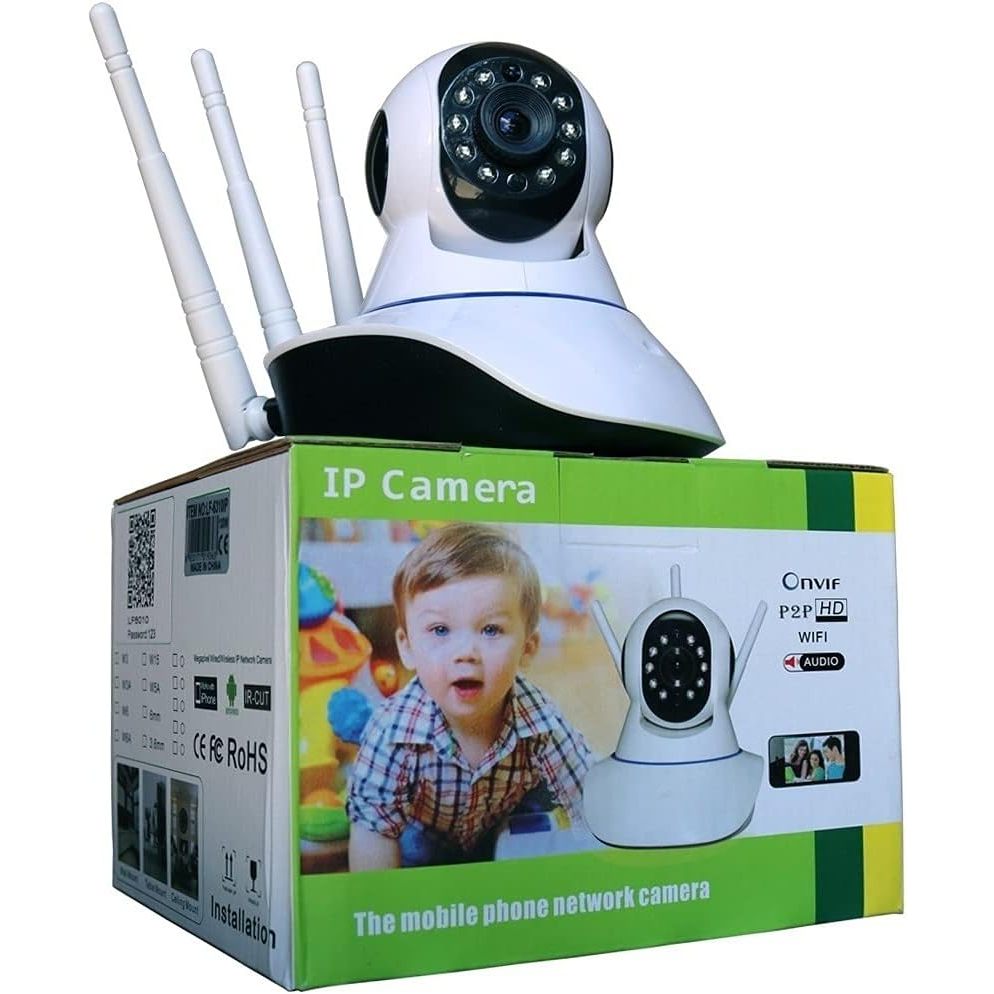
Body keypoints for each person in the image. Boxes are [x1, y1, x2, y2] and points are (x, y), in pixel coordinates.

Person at [347, 522, 593, 870]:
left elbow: (591, 800)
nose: (465, 653)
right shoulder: (391, 733)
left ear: (528, 647)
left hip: (507, 828)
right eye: (440, 630)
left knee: (538, 834)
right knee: (415, 856)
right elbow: (373, 835)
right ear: (407, 647)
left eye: (491, 629)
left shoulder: (541, 723)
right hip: (426, 836)